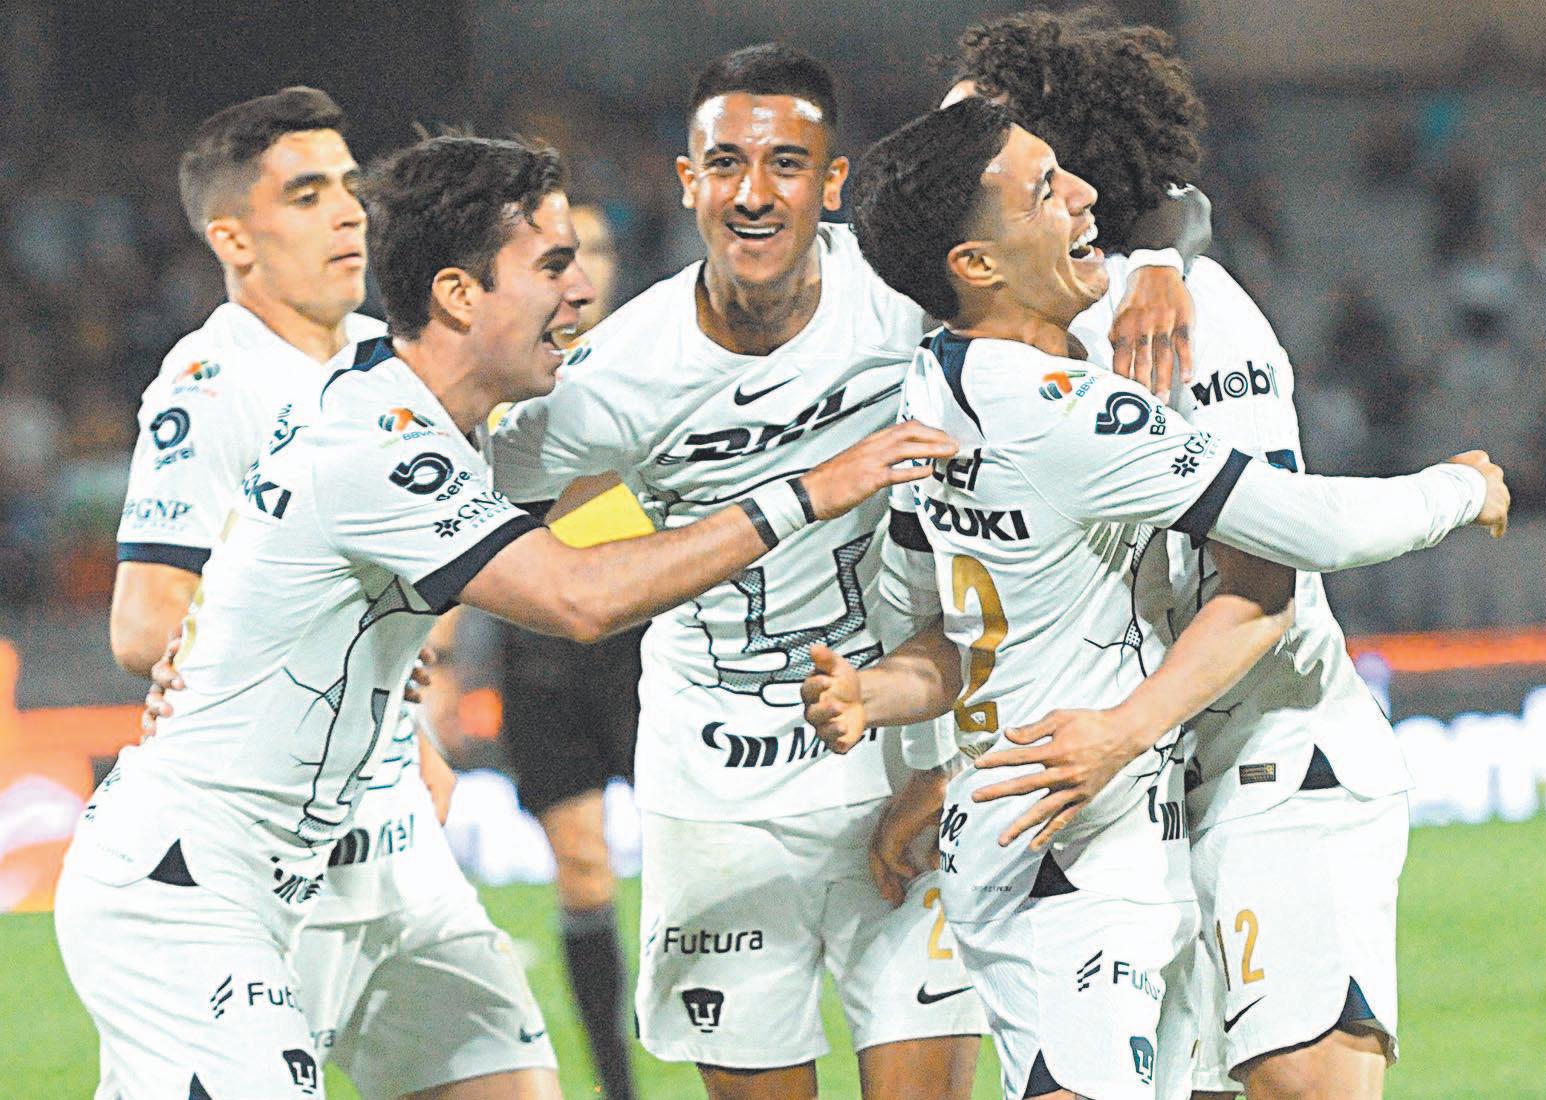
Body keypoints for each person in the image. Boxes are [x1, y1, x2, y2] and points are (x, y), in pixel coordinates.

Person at [59, 129, 950, 1100]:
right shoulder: (377, 440)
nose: (582, 291)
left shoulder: (444, 418)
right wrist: (808, 490)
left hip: (347, 866)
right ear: (457, 294)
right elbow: (576, 596)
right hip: (192, 880)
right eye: (553, 266)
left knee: (507, 1079)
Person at [488, 43, 1207, 1100]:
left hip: (900, 768)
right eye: (725, 163)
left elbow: (1158, 207)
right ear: (686, 181)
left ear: (831, 183)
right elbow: (466, 522)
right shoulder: (616, 376)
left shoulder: (903, 288)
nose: (754, 192)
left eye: (786, 163)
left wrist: (1161, 266)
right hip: (718, 795)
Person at [821, 97, 1510, 1100]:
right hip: (1064, 830)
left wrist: (880, 697)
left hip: (1092, 814)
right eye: (1043, 188)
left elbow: (966, 632)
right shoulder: (1056, 407)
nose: (1081, 196)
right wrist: (1459, 489)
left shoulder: (936, 382)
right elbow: (1303, 532)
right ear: (973, 262)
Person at [104, 87, 552, 1100]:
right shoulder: (211, 382)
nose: (349, 213)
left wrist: (411, 723)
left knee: (510, 1081)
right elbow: (145, 620)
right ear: (234, 237)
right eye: (307, 195)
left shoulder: (389, 361)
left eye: (351, 187)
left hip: (395, 849)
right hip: (267, 864)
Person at [494, 199, 643, 1100]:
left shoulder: (659, 362)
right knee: (583, 871)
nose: (582, 273)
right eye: (559, 256)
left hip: (653, 642)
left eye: (595, 250)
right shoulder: (505, 376)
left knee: (702, 866)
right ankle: (617, 1087)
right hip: (543, 648)